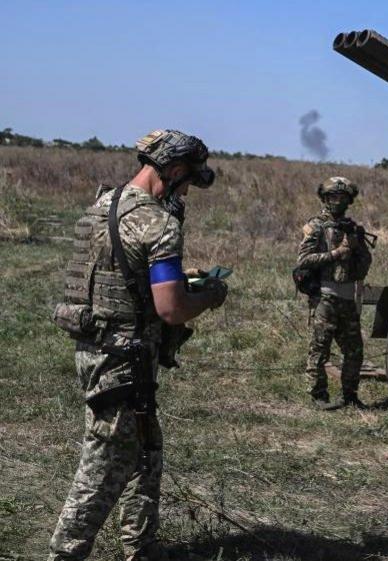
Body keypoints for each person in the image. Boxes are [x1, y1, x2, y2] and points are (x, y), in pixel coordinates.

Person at [48, 129, 228, 561]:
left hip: (97, 347)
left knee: (147, 449)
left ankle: (141, 545)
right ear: (175, 170)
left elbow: (121, 277)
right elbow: (171, 310)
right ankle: (63, 553)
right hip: (124, 359)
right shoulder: (159, 224)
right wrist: (210, 295)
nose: (186, 192)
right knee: (104, 463)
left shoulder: (101, 206)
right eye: (186, 183)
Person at [298, 176, 372, 410]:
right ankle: (319, 396)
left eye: (342, 197)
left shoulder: (353, 228)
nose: (337, 201)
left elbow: (363, 268)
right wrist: (337, 253)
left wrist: (357, 246)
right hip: (325, 297)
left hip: (348, 298)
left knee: (355, 351)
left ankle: (350, 395)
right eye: (333, 196)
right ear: (325, 198)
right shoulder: (317, 226)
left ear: (349, 200)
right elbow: (304, 260)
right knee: (320, 349)